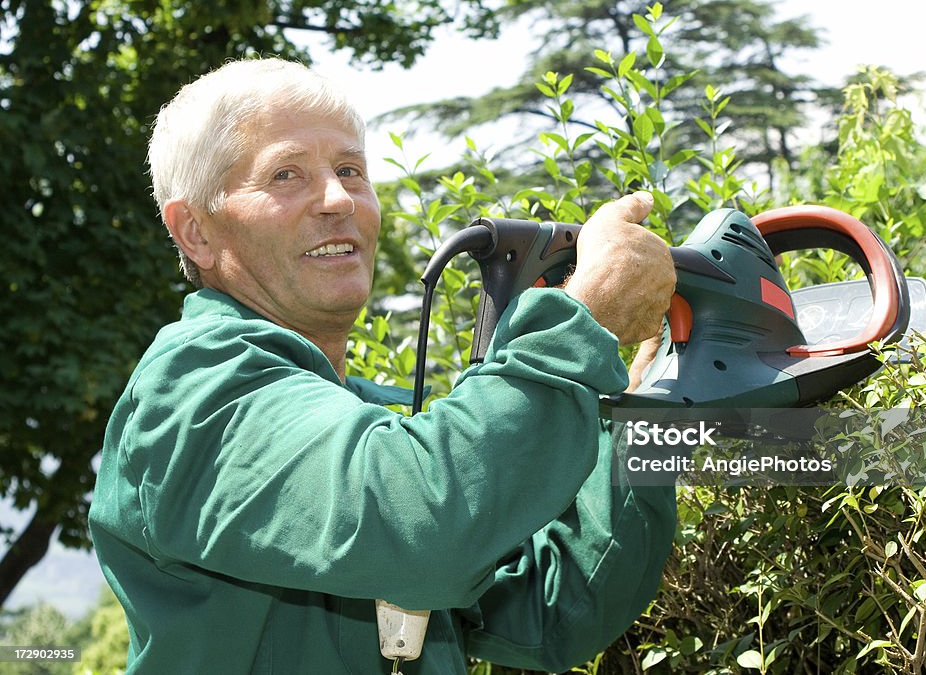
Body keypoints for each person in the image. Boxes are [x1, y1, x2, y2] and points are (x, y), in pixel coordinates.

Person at [89, 57, 678, 674]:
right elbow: (424, 527)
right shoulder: (196, 388)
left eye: (350, 170)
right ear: (195, 232)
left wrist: (637, 415)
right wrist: (583, 320)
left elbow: (553, 613)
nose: (338, 198)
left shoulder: (371, 416)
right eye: (286, 174)